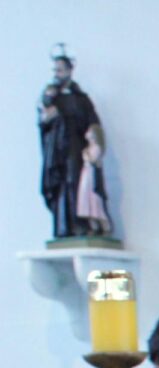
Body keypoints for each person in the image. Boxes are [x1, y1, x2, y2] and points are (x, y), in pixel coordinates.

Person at [37, 47, 102, 239]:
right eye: (55, 70)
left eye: (61, 70)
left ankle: (80, 224)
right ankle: (62, 227)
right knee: (58, 184)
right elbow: (42, 121)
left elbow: (92, 123)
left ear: (69, 70)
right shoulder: (49, 97)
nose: (57, 74)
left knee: (75, 182)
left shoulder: (80, 98)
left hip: (75, 145)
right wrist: (47, 116)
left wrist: (93, 142)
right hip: (56, 148)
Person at [75, 124, 112, 236]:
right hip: (86, 174)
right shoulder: (88, 148)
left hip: (92, 176)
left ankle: (104, 226)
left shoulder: (96, 148)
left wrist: (86, 155)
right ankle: (93, 226)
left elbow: (91, 160)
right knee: (85, 198)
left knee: (95, 200)